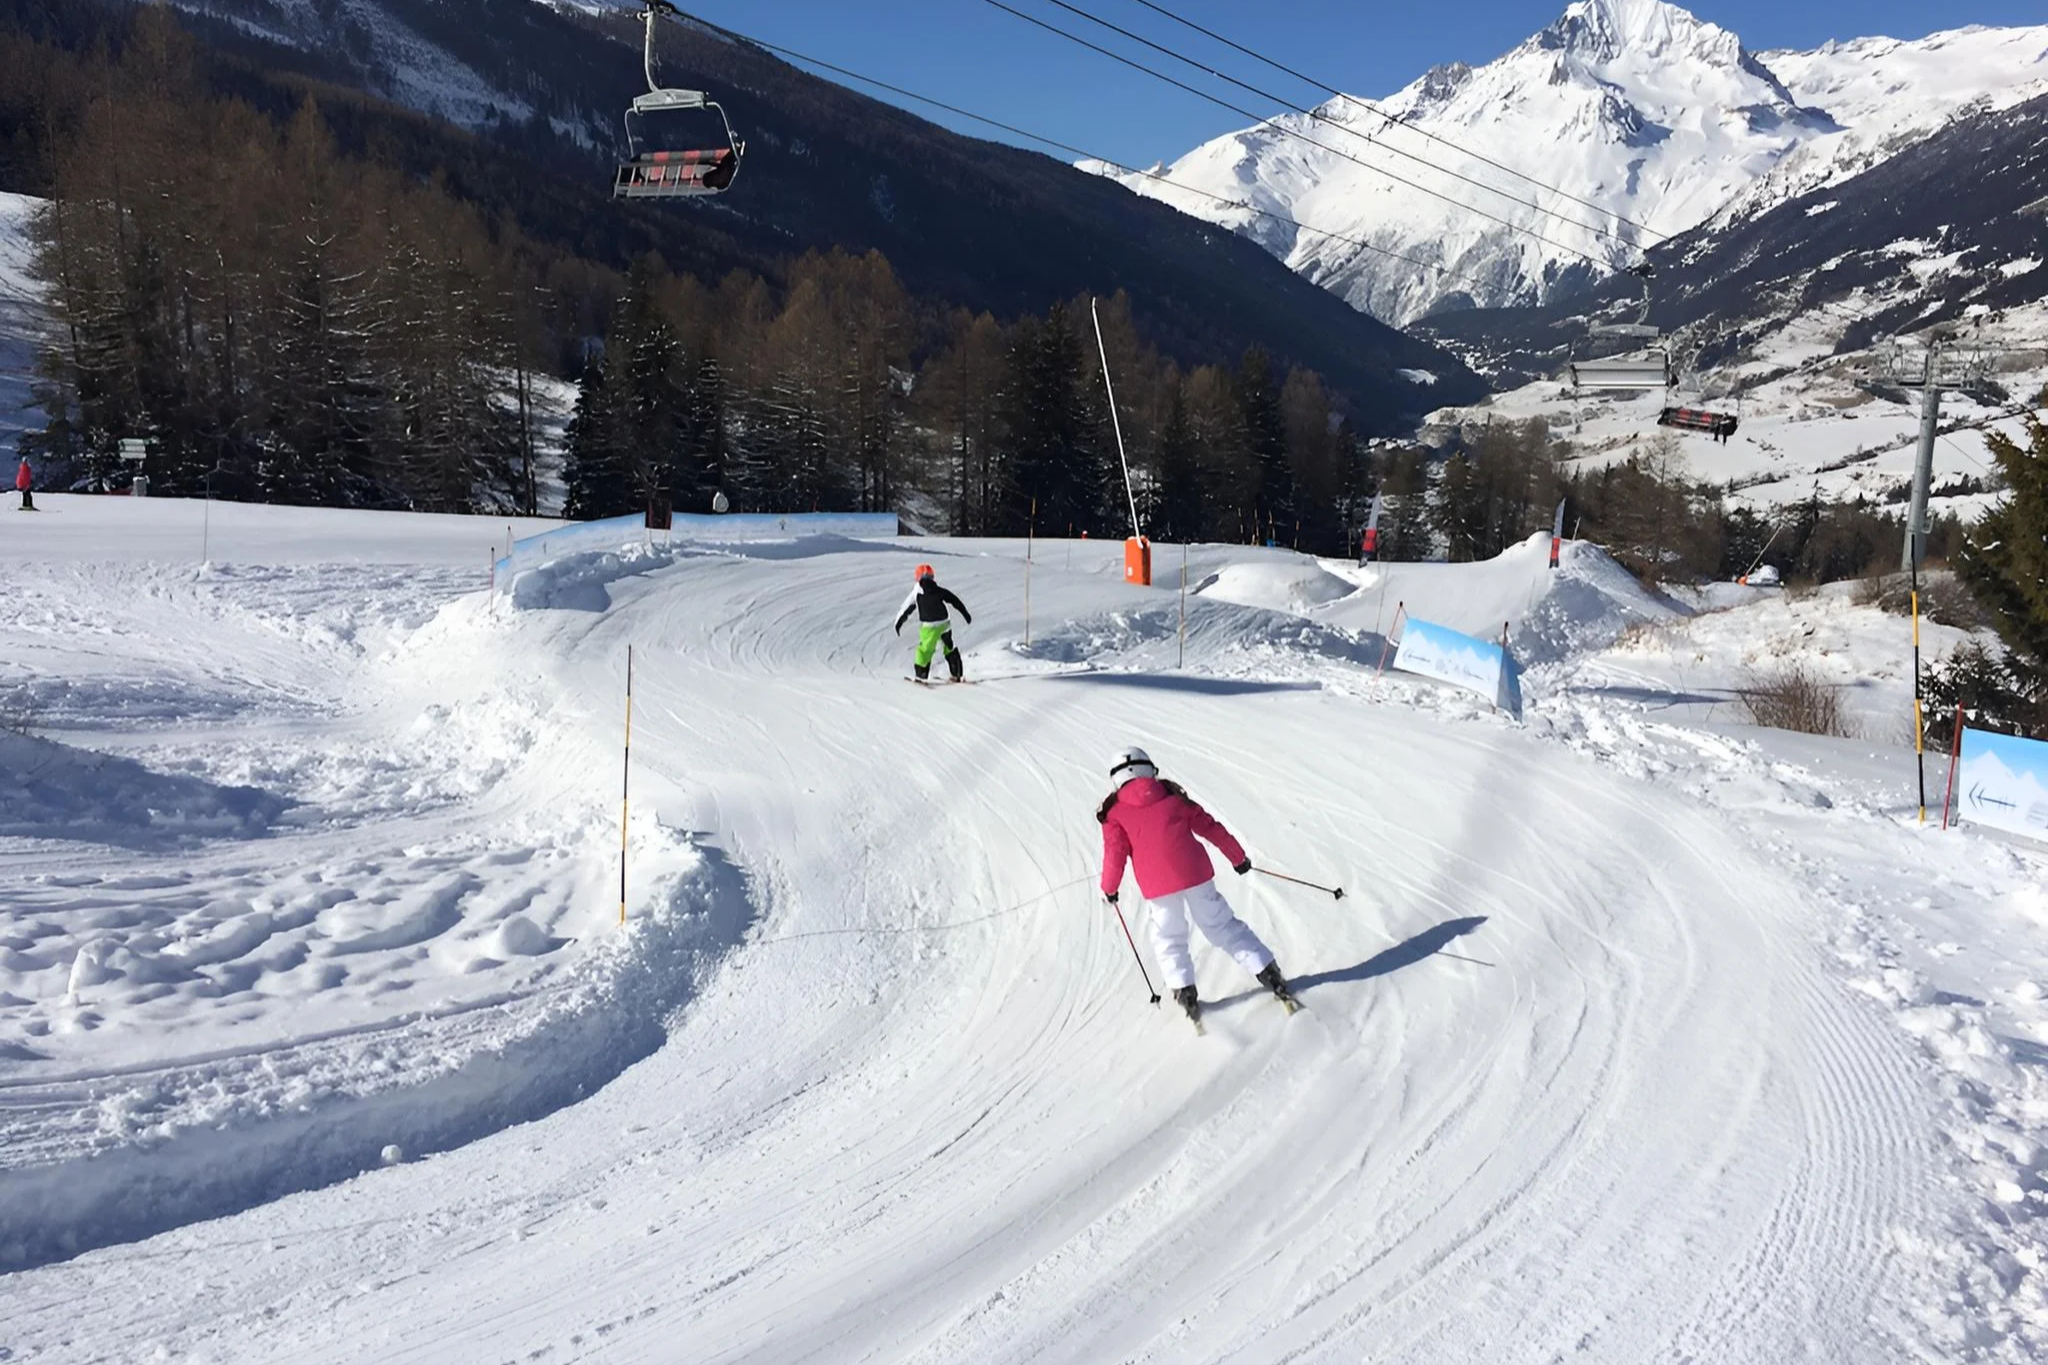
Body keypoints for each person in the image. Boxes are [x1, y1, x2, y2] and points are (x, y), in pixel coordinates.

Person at [1097, 746, 1295, 1025]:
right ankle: (1266, 969)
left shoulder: (1115, 813)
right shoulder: (1172, 797)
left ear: (1117, 778)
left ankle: (1184, 989)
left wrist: (1109, 888)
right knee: (1221, 925)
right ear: (1148, 769)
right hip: (1195, 874)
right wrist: (1237, 858)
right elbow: (1210, 827)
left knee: (1169, 937)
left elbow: (1114, 854)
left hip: (1158, 887)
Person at [893, 563, 972, 682]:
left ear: (917, 577)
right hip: (944, 623)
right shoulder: (938, 590)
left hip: (929, 627)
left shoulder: (917, 592)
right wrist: (966, 614)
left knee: (925, 650)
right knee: (949, 647)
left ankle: (921, 677)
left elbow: (906, 609)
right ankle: (957, 675)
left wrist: (898, 624)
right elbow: (954, 600)